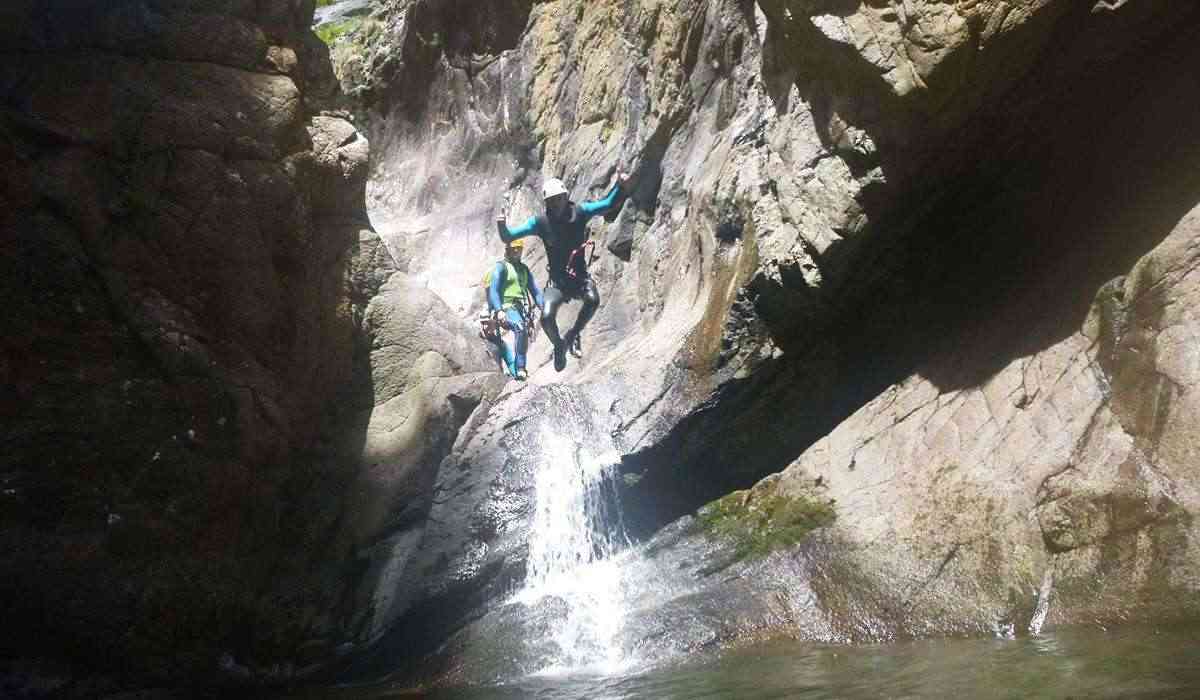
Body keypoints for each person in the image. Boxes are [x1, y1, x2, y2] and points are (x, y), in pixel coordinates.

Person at [496, 172, 629, 371]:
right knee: (546, 317)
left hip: (580, 279)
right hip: (557, 283)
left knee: (593, 300)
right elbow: (509, 237)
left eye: (559, 199)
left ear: (566, 198)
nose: (556, 204)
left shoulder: (581, 212)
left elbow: (607, 204)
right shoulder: (540, 223)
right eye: (551, 201)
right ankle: (559, 345)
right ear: (547, 203)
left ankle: (573, 334)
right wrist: (501, 224)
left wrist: (619, 185)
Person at [485, 238, 544, 381]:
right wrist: (498, 310)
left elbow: (535, 291)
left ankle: (517, 373)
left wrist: (544, 307)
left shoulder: (524, 269)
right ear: (508, 250)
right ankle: (520, 368)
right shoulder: (501, 267)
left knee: (522, 331)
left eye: (519, 249)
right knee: (520, 328)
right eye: (514, 248)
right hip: (505, 307)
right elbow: (494, 290)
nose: (516, 251)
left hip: (520, 309)